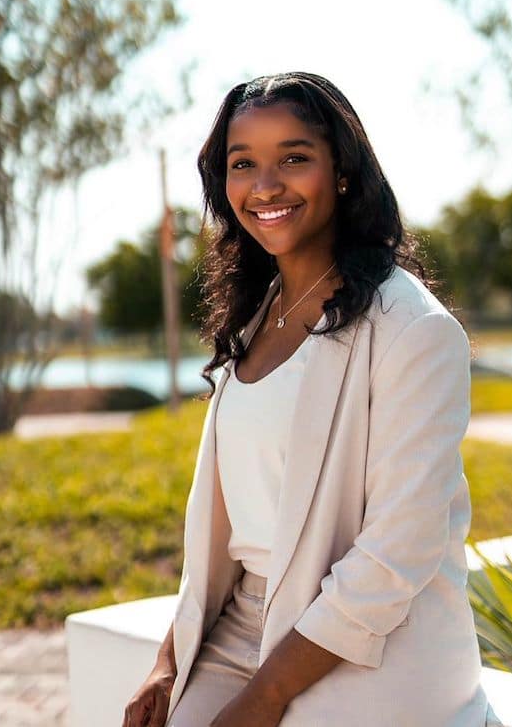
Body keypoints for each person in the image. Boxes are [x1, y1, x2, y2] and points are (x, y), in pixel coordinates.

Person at [123, 71, 488, 727]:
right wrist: (169, 659)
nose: (266, 185)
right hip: (241, 628)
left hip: (370, 638)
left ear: (342, 172)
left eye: (294, 158)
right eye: (244, 164)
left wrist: (265, 698)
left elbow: (397, 551)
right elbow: (226, 532)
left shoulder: (415, 331)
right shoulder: (255, 318)